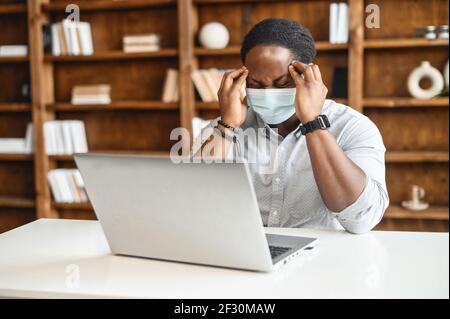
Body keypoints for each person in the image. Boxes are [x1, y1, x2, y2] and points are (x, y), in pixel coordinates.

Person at [194, 18, 389, 234]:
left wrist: (313, 122)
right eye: (256, 84)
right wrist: (227, 125)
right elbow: (193, 203)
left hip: (325, 260)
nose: (268, 93)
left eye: (282, 83)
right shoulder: (224, 127)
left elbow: (361, 220)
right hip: (248, 254)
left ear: (308, 76)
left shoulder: (352, 127)